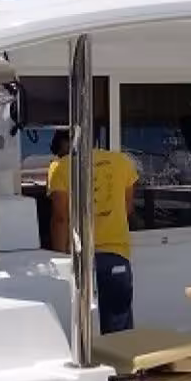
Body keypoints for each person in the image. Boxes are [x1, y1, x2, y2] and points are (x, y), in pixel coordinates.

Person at [47, 130, 137, 333]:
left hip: (79, 259)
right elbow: (127, 208)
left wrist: (60, 257)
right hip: (117, 257)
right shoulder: (122, 162)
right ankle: (123, 365)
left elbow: (61, 218)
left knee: (78, 330)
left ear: (65, 144)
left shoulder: (61, 167)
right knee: (120, 330)